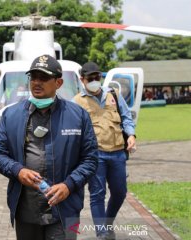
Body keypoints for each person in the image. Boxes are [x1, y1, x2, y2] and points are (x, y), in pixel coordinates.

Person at [0, 54, 98, 240]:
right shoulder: (11, 115)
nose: (37, 83)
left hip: (65, 209)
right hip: (26, 210)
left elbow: (90, 159)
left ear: (58, 83)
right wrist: (18, 171)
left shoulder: (78, 115)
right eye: (33, 77)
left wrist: (69, 185)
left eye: (44, 78)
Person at [73, 62, 136, 240]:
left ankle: (108, 222)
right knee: (97, 194)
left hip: (117, 153)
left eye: (97, 77)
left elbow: (125, 117)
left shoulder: (113, 94)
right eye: (90, 78)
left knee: (119, 192)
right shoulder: (77, 102)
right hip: (95, 155)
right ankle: (102, 234)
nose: (94, 81)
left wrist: (131, 135)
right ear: (82, 79)